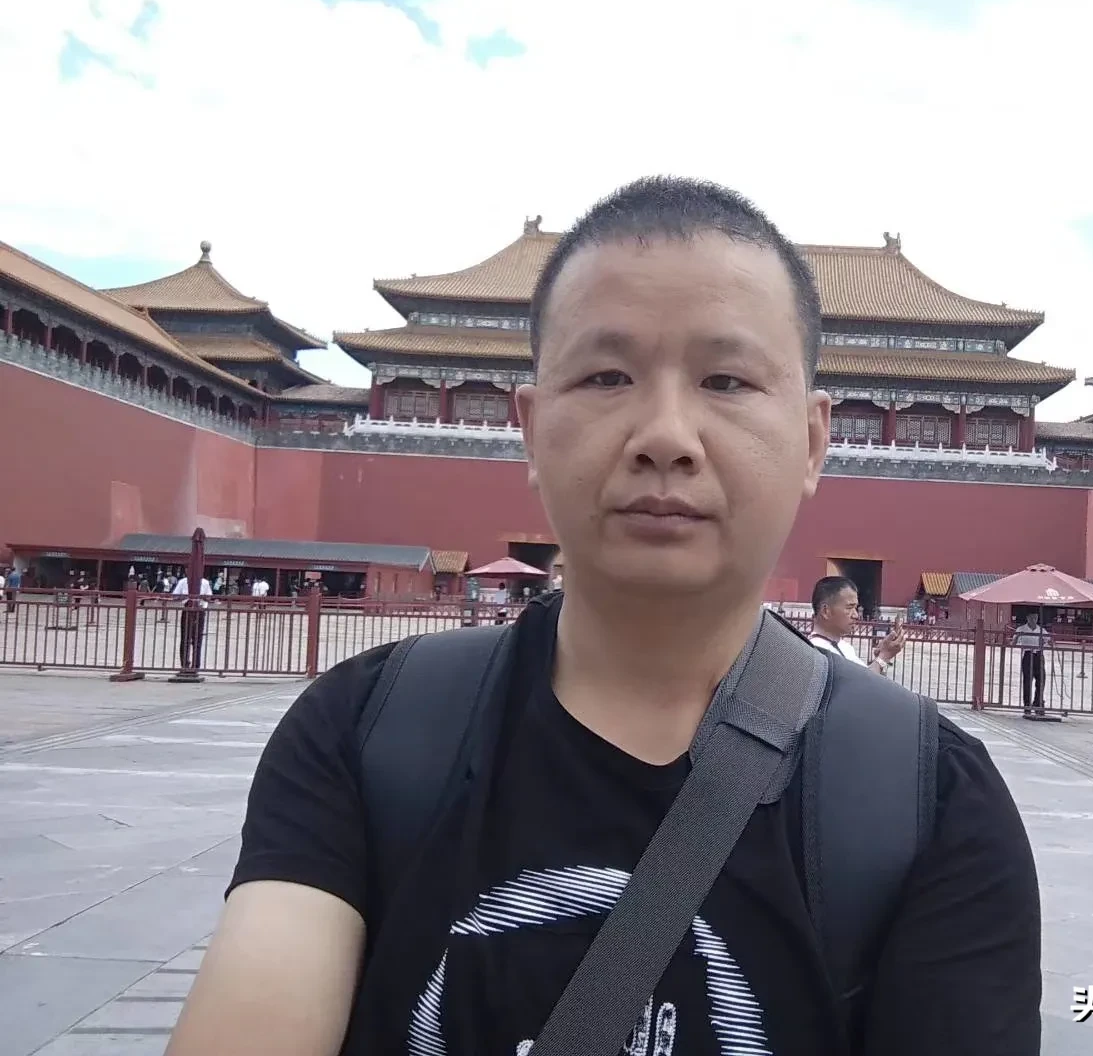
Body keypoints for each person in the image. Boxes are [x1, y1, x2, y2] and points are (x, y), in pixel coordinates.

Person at [167, 177, 1041, 1056]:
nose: (666, 435)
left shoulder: (926, 801)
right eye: (607, 376)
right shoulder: (366, 736)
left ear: (814, 441)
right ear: (530, 428)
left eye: (727, 380)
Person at [809, 575, 906, 675]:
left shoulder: (845, 647)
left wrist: (880, 657)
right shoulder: (816, 652)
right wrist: (883, 657)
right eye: (849, 608)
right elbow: (861, 683)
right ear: (826, 611)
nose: (855, 615)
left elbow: (867, 678)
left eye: (855, 608)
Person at [172, 571, 213, 671]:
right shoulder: (183, 582)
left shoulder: (205, 582)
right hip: (187, 609)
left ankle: (196, 664)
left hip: (200, 609)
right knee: (185, 638)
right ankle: (184, 664)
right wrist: (187, 597)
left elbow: (209, 597)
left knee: (197, 639)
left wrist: (201, 598)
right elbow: (175, 596)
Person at [1013, 612, 1050, 718]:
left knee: (1041, 680)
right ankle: (1027, 706)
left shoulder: (1041, 630)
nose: (1034, 620)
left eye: (1036, 618)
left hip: (1038, 655)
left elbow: (1049, 641)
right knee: (1027, 682)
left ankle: (1038, 703)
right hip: (1028, 654)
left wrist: (1044, 642)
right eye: (1032, 617)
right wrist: (1017, 637)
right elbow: (1014, 643)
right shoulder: (1021, 629)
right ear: (1027, 618)